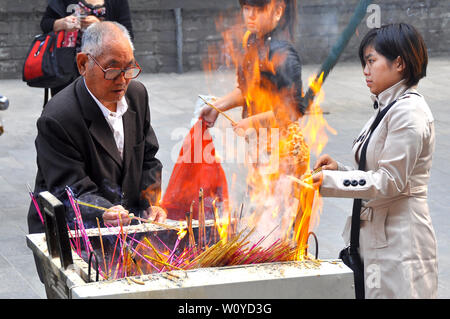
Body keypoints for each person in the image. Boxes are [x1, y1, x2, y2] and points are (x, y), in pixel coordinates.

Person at [311, 23, 437, 298]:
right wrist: (340, 170)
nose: (365, 71)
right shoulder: (388, 105)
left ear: (399, 63)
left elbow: (390, 180)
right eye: (364, 62)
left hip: (401, 240)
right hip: (379, 235)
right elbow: (377, 170)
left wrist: (332, 181)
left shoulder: (408, 113)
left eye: (371, 61)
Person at [28, 21, 164, 237]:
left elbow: (148, 157)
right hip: (73, 231)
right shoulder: (58, 118)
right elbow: (70, 189)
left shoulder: (137, 94)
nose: (122, 81)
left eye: (128, 68)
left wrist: (150, 203)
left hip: (125, 225)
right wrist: (103, 211)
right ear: (83, 64)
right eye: (111, 70)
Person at [200, 0, 305, 134]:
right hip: (257, 143)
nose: (251, 15)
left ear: (278, 12)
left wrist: (252, 122)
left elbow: (294, 110)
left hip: (281, 146)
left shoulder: (283, 53)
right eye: (247, 8)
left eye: (259, 10)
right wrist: (217, 106)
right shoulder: (251, 39)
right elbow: (247, 90)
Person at [40, 0, 134, 98]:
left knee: (102, 103)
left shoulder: (118, 2)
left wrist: (101, 26)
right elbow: (45, 24)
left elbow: (128, 34)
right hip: (65, 65)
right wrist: (62, 23)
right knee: (65, 103)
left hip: (105, 67)